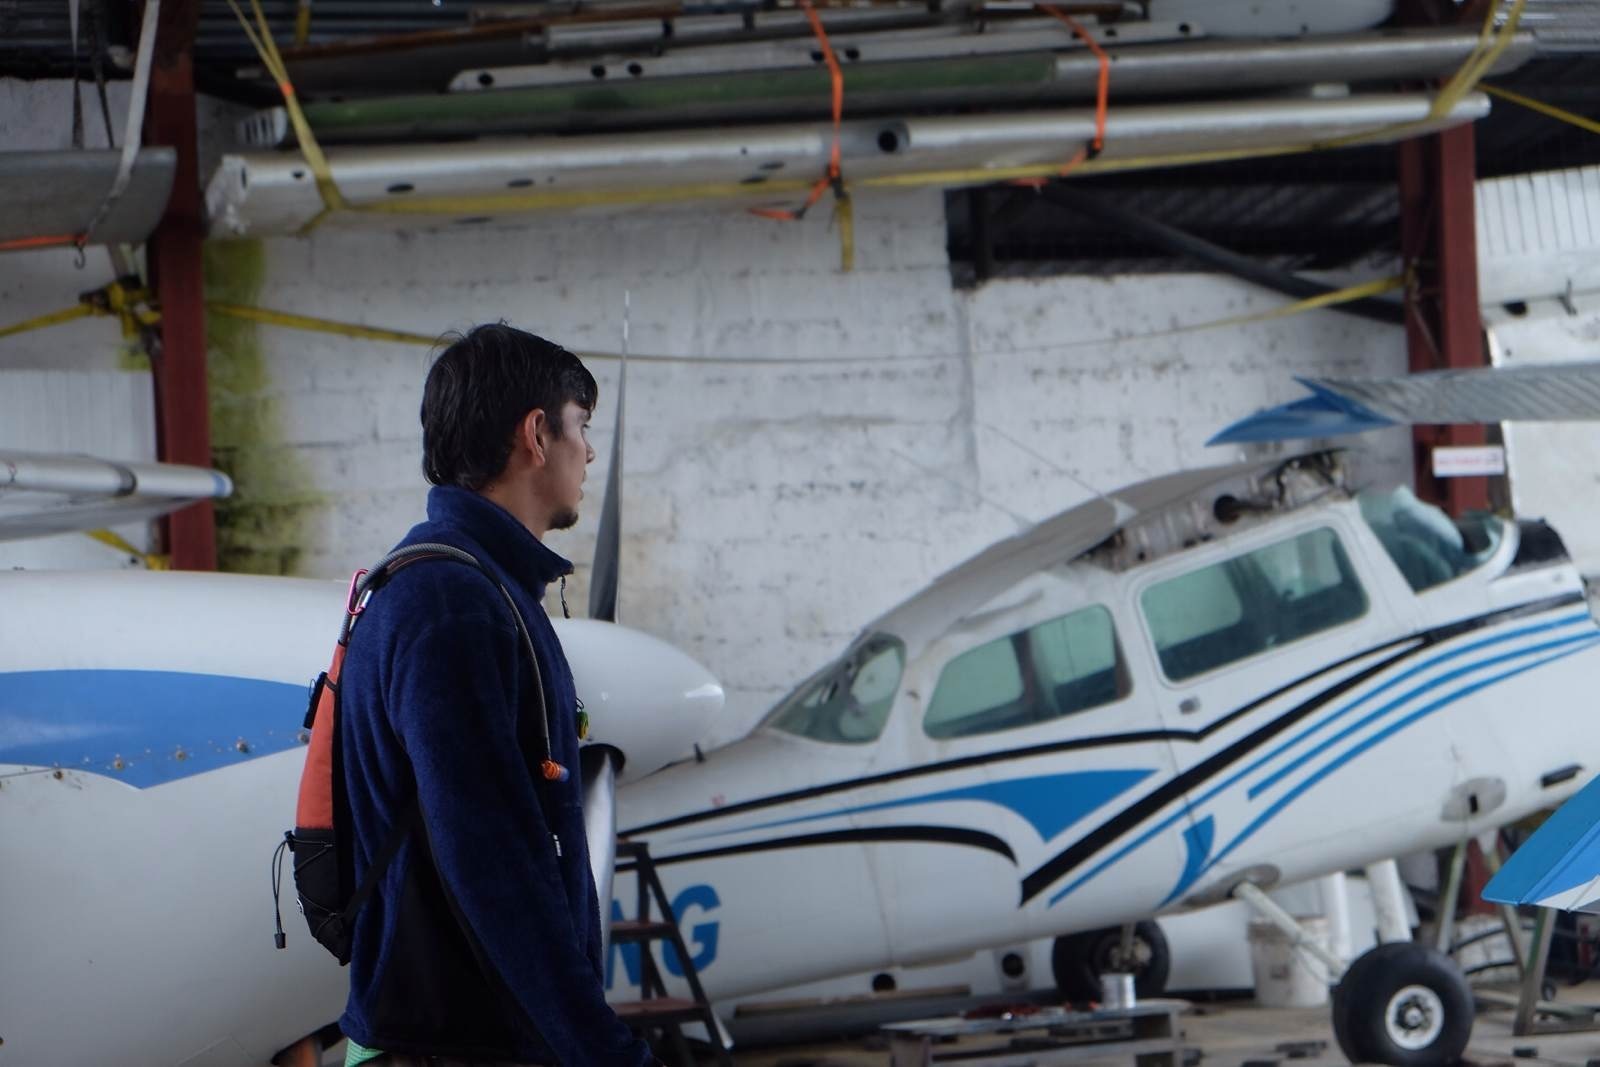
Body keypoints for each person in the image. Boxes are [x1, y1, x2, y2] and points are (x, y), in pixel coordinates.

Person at [337, 323, 654, 1067]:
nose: (591, 450)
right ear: (536, 435)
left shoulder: (467, 589)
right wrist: (606, 1053)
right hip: (450, 1050)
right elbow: (493, 860)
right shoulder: (452, 603)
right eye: (582, 425)